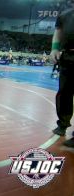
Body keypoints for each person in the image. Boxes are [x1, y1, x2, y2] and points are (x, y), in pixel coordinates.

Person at [50, 0, 74, 148]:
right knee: (64, 93)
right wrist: (54, 48)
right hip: (68, 57)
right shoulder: (64, 12)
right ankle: (63, 125)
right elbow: (58, 31)